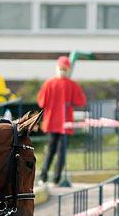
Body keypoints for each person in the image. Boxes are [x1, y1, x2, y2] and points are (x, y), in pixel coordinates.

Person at [37, 55, 87, 185]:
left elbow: (41, 102)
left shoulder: (50, 83)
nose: (62, 71)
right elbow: (80, 101)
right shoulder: (71, 84)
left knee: (52, 151)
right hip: (62, 123)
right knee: (59, 152)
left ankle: (45, 177)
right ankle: (53, 178)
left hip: (56, 122)